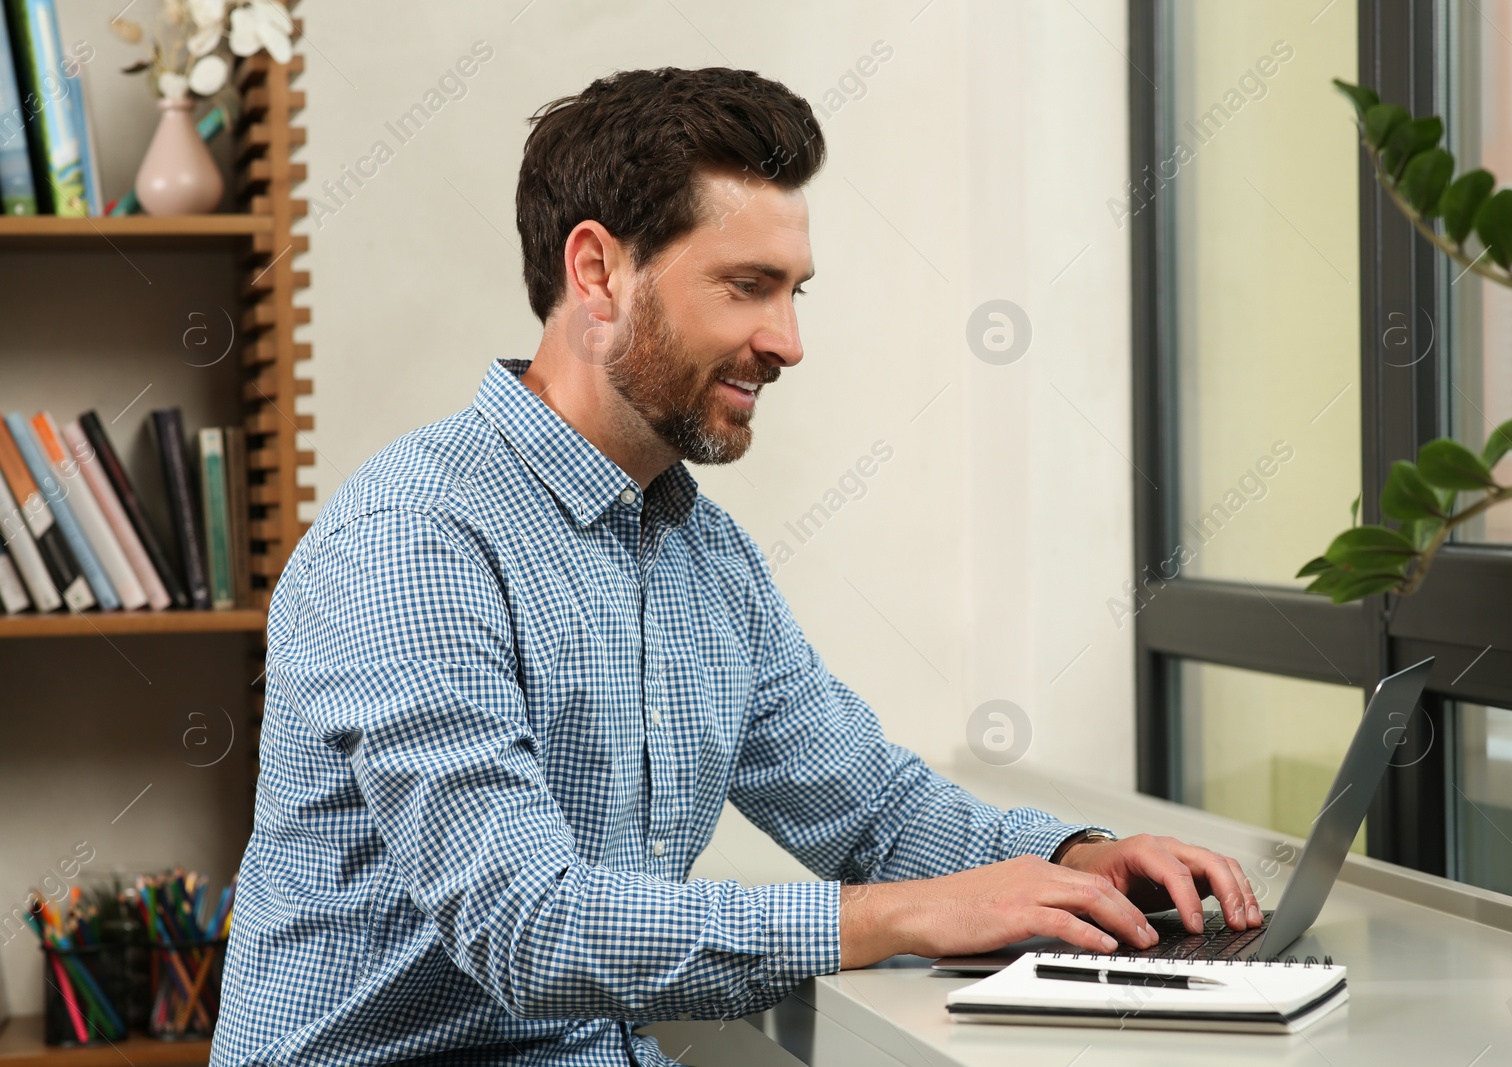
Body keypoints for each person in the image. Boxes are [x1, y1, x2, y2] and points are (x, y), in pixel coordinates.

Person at [212, 66, 1261, 1067]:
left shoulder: (704, 556)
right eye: (748, 287)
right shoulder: (417, 540)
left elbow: (870, 808)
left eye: (795, 290)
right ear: (598, 271)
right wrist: (898, 912)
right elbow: (524, 924)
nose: (789, 339)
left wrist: (1071, 857)